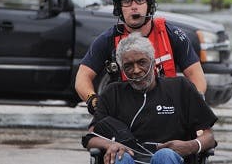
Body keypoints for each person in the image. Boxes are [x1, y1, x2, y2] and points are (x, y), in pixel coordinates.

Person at [75, 0, 207, 114]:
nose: (134, 7)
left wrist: (193, 102)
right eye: (126, 1)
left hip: (168, 111)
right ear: (118, 7)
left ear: (149, 4)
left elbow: (195, 74)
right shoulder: (107, 40)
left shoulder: (172, 34)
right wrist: (92, 99)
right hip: (127, 112)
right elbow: (82, 77)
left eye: (139, 0)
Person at [82, 33, 217, 164]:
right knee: (120, 156)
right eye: (128, 66)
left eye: (142, 62)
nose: (136, 70)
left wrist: (191, 146)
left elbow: (209, 137)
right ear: (122, 69)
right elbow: (91, 138)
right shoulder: (113, 93)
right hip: (129, 157)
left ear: (153, 63)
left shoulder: (181, 88)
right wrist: (110, 144)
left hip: (171, 158)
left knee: (165, 155)